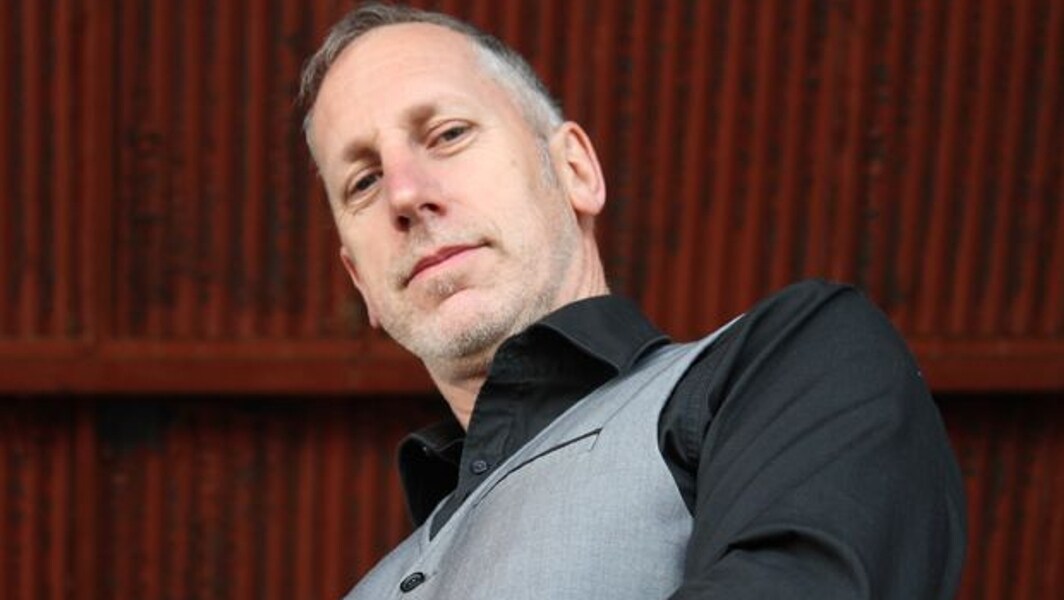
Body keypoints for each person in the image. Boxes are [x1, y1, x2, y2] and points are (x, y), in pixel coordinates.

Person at [298, 3, 967, 599]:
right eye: (363, 181)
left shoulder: (784, 362)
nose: (405, 194)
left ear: (575, 171)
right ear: (361, 282)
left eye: (448, 134)